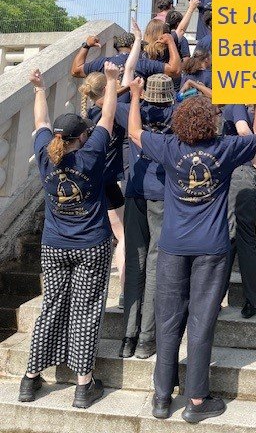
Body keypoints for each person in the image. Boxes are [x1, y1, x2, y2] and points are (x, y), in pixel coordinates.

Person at [127, 87, 256, 423]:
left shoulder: (169, 146)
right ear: (212, 122)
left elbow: (134, 132)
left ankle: (162, 397)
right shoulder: (225, 148)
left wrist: (134, 95)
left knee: (167, 321)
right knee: (201, 323)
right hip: (211, 247)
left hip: (173, 245)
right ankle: (195, 399)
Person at [18, 62, 119, 408]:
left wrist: (38, 89)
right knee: (85, 311)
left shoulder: (46, 154)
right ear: (81, 137)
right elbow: (107, 118)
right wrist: (112, 81)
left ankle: (30, 379)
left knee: (51, 307)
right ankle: (83, 385)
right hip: (91, 244)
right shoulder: (91, 155)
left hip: (54, 245)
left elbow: (41, 122)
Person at [115, 73, 176, 360]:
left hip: (135, 192)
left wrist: (132, 91)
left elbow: (102, 101)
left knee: (134, 264)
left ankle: (128, 337)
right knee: (154, 266)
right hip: (163, 194)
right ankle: (146, 338)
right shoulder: (178, 114)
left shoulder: (131, 109)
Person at [79, 73, 127, 309]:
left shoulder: (86, 117)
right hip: (106, 184)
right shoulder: (108, 113)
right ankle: (124, 292)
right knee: (124, 236)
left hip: (86, 184)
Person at [222, 104, 256, 319]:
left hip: (230, 172)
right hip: (241, 171)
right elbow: (244, 131)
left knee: (233, 236)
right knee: (240, 237)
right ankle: (250, 299)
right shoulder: (236, 103)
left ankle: (220, 296)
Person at [70, 32, 179, 80]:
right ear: (133, 47)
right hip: (133, 114)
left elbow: (75, 71)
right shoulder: (143, 64)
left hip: (107, 111)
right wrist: (170, 41)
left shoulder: (104, 63)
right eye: (140, 47)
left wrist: (86, 45)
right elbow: (175, 70)